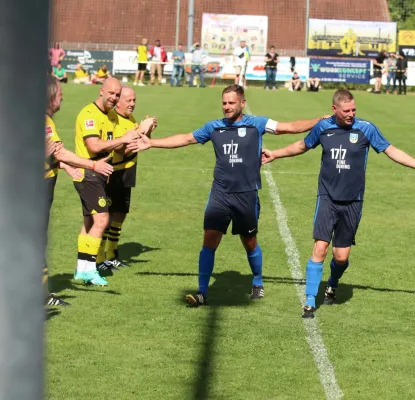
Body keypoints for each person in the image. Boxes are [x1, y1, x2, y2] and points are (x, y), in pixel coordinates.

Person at [125, 85, 328, 307]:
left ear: (242, 103)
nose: (227, 107)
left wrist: (319, 120)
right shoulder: (214, 127)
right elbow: (185, 139)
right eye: (224, 103)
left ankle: (257, 281)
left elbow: (288, 127)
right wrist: (151, 143)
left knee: (249, 242)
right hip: (220, 194)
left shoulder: (256, 124)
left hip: (246, 195)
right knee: (209, 240)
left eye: (231, 103)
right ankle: (202, 292)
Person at [261, 89, 415, 318]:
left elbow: (392, 151)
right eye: (346, 110)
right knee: (320, 247)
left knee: (341, 257)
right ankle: (309, 301)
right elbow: (302, 145)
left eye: (353, 110)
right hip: (327, 197)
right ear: (335, 110)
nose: (351, 114)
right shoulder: (323, 127)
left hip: (353, 201)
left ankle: (332, 283)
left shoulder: (366, 128)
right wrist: (275, 154)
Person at [72, 78, 153, 286]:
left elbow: (119, 143)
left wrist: (137, 134)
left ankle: (82, 269)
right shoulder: (89, 114)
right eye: (112, 94)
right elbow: (94, 146)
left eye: (117, 95)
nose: (114, 98)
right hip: (89, 172)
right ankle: (91, 267)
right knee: (102, 221)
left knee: (90, 222)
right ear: (101, 91)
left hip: (100, 173)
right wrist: (130, 136)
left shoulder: (110, 116)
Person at [44, 76, 114, 306]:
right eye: (60, 95)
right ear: (51, 97)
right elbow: (59, 152)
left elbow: (52, 153)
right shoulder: (45, 120)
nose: (63, 98)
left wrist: (64, 166)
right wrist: (92, 165)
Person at [97, 85, 157, 271]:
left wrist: (146, 131)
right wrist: (141, 130)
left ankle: (112, 254)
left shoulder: (129, 119)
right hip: (113, 173)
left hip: (128, 171)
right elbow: (121, 151)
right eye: (128, 100)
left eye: (134, 100)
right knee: (105, 218)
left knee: (120, 214)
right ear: (118, 101)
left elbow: (137, 144)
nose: (132, 104)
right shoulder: (113, 120)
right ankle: (98, 259)